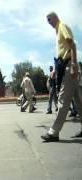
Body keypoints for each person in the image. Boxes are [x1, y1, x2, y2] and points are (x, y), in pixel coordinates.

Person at [41, 12, 82, 142]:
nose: (49, 22)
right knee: (79, 102)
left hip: (70, 66)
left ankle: (54, 132)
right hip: (67, 66)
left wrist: (74, 64)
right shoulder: (58, 31)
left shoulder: (62, 26)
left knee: (63, 100)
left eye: (49, 19)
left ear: (55, 17)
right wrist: (56, 70)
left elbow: (72, 44)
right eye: (47, 21)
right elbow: (62, 53)